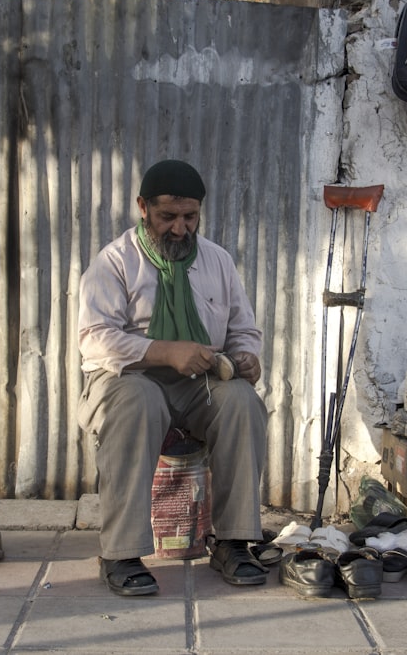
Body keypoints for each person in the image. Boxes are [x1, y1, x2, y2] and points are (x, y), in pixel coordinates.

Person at [77, 159, 270, 596]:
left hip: (197, 385)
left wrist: (246, 357)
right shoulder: (114, 262)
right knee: (138, 402)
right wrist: (165, 351)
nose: (180, 229)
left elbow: (244, 330)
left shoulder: (218, 260)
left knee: (241, 401)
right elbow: (94, 339)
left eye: (190, 217)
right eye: (168, 216)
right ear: (142, 208)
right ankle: (120, 553)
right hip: (125, 379)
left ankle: (234, 541)